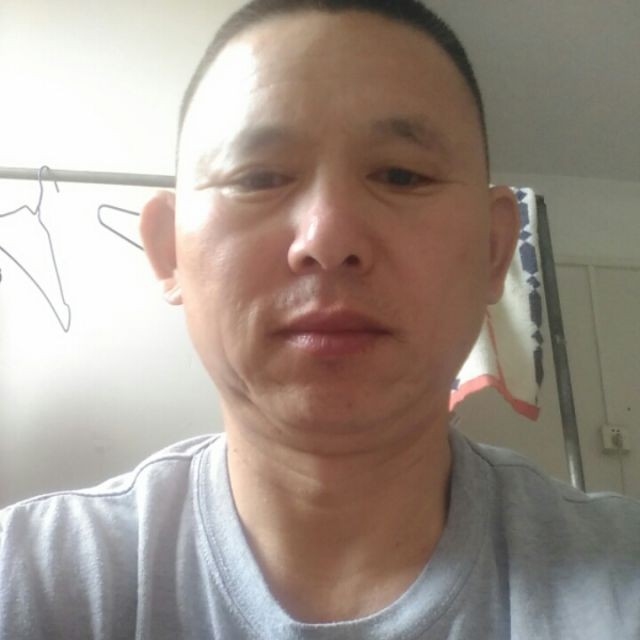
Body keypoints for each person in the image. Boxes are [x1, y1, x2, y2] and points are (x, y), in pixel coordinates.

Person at [1, 1, 639, 638]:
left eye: (401, 174)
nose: (328, 239)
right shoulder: (32, 580)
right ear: (169, 251)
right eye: (258, 177)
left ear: (495, 251)